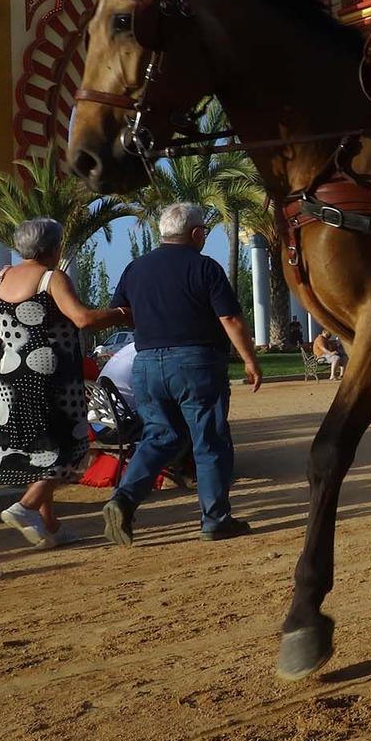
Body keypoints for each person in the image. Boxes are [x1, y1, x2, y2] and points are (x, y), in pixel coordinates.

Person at [102, 203, 262, 547]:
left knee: (159, 437)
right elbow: (230, 319)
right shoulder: (205, 267)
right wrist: (249, 358)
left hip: (145, 363)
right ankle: (216, 519)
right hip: (196, 362)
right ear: (196, 233)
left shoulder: (135, 268)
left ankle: (124, 499)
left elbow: (123, 312)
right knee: (209, 439)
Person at [0, 218, 128, 547]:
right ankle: (24, 508)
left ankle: (49, 525)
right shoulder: (52, 279)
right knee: (70, 445)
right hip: (51, 376)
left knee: (39, 448)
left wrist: (14, 342)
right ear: (53, 248)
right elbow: (82, 319)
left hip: (9, 375)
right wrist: (122, 313)